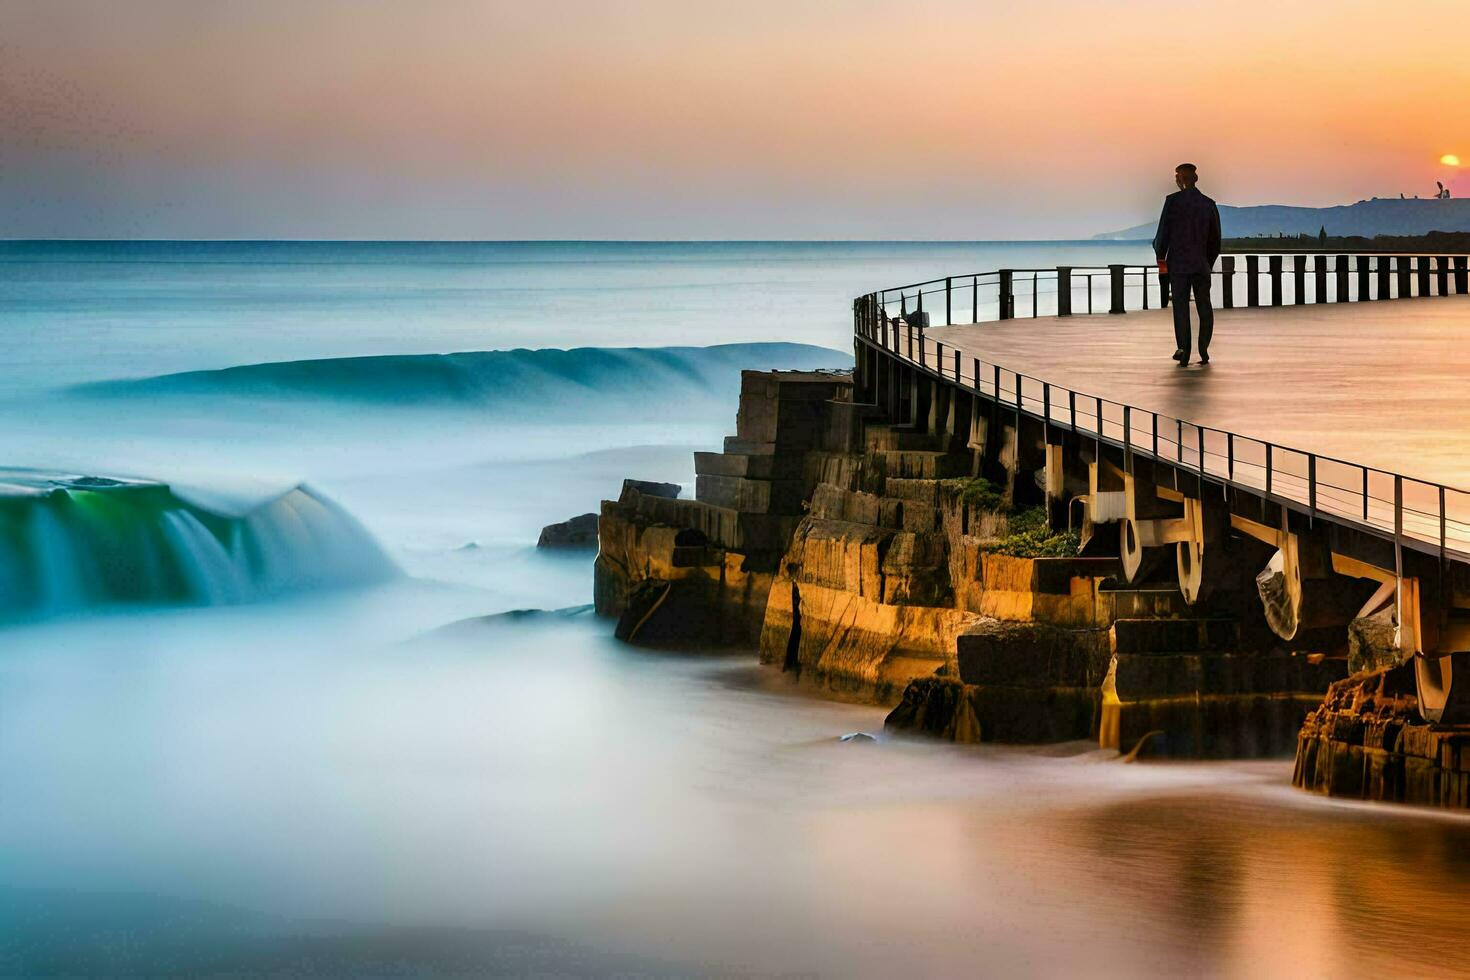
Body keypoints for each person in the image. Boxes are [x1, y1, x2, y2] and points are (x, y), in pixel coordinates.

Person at [1152, 163, 1221, 365]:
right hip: (1201, 265)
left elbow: (1162, 236)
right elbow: (1215, 241)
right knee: (1204, 306)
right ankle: (1204, 350)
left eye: (1177, 177)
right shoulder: (1208, 204)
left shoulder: (1172, 202)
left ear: (1181, 179)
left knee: (1181, 308)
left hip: (1179, 266)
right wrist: (1207, 262)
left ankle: (1184, 350)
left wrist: (1161, 259)